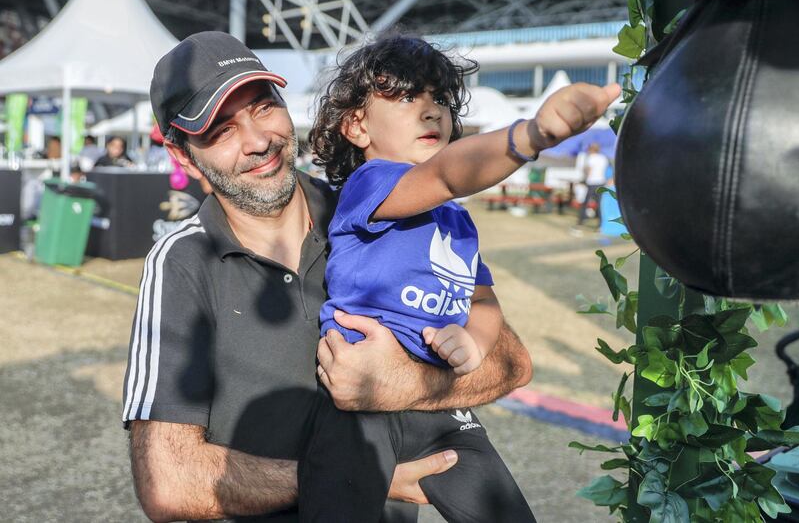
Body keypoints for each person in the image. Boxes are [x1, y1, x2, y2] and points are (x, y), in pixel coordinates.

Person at [122, 31, 534, 522]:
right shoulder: (182, 260)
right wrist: (357, 471)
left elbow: (511, 363)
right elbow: (168, 483)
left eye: (262, 107)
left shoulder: (378, 208)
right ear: (184, 156)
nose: (258, 141)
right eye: (221, 130)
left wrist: (408, 384)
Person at [297, 35, 619, 522]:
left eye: (441, 99)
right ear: (357, 125)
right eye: (407, 96)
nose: (431, 111)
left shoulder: (456, 221)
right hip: (357, 406)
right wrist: (529, 135)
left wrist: (473, 342)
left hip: (438, 404)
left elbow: (484, 302)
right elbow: (447, 174)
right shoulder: (371, 183)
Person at [576, 142, 610, 228]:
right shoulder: (603, 158)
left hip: (592, 182)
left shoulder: (591, 158)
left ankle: (580, 222)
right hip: (601, 182)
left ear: (591, 149)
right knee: (599, 204)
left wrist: (584, 174)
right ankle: (600, 225)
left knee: (585, 203)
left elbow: (589, 171)